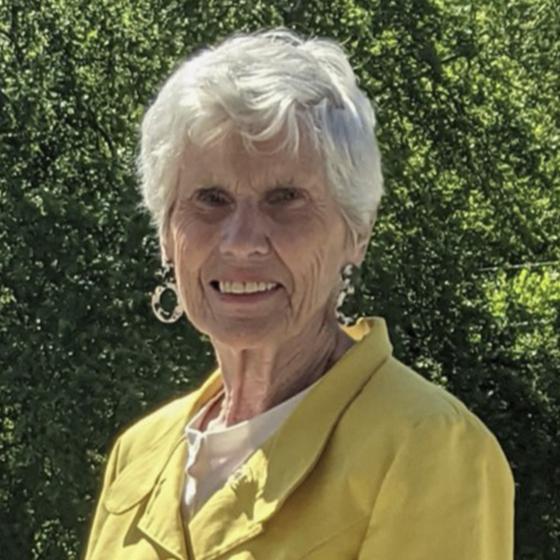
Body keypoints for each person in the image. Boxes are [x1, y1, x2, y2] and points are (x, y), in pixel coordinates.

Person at [83, 29, 514, 560]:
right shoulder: (138, 455)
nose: (241, 241)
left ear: (356, 230)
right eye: (210, 199)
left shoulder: (427, 445)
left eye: (284, 198)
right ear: (167, 235)